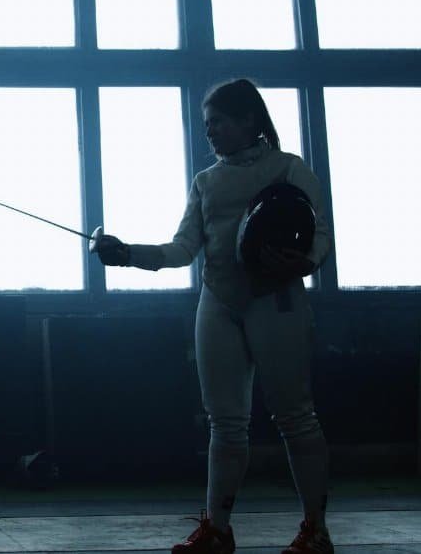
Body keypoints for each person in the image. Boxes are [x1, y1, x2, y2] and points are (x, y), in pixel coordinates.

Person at [93, 79, 334, 554]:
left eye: (218, 122)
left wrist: (304, 263)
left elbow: (321, 233)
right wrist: (128, 254)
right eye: (207, 125)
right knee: (224, 421)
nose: (210, 132)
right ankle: (218, 531)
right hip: (218, 302)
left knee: (295, 416)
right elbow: (183, 249)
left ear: (249, 119)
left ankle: (316, 531)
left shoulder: (289, 168)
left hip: (277, 299)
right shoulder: (206, 181)